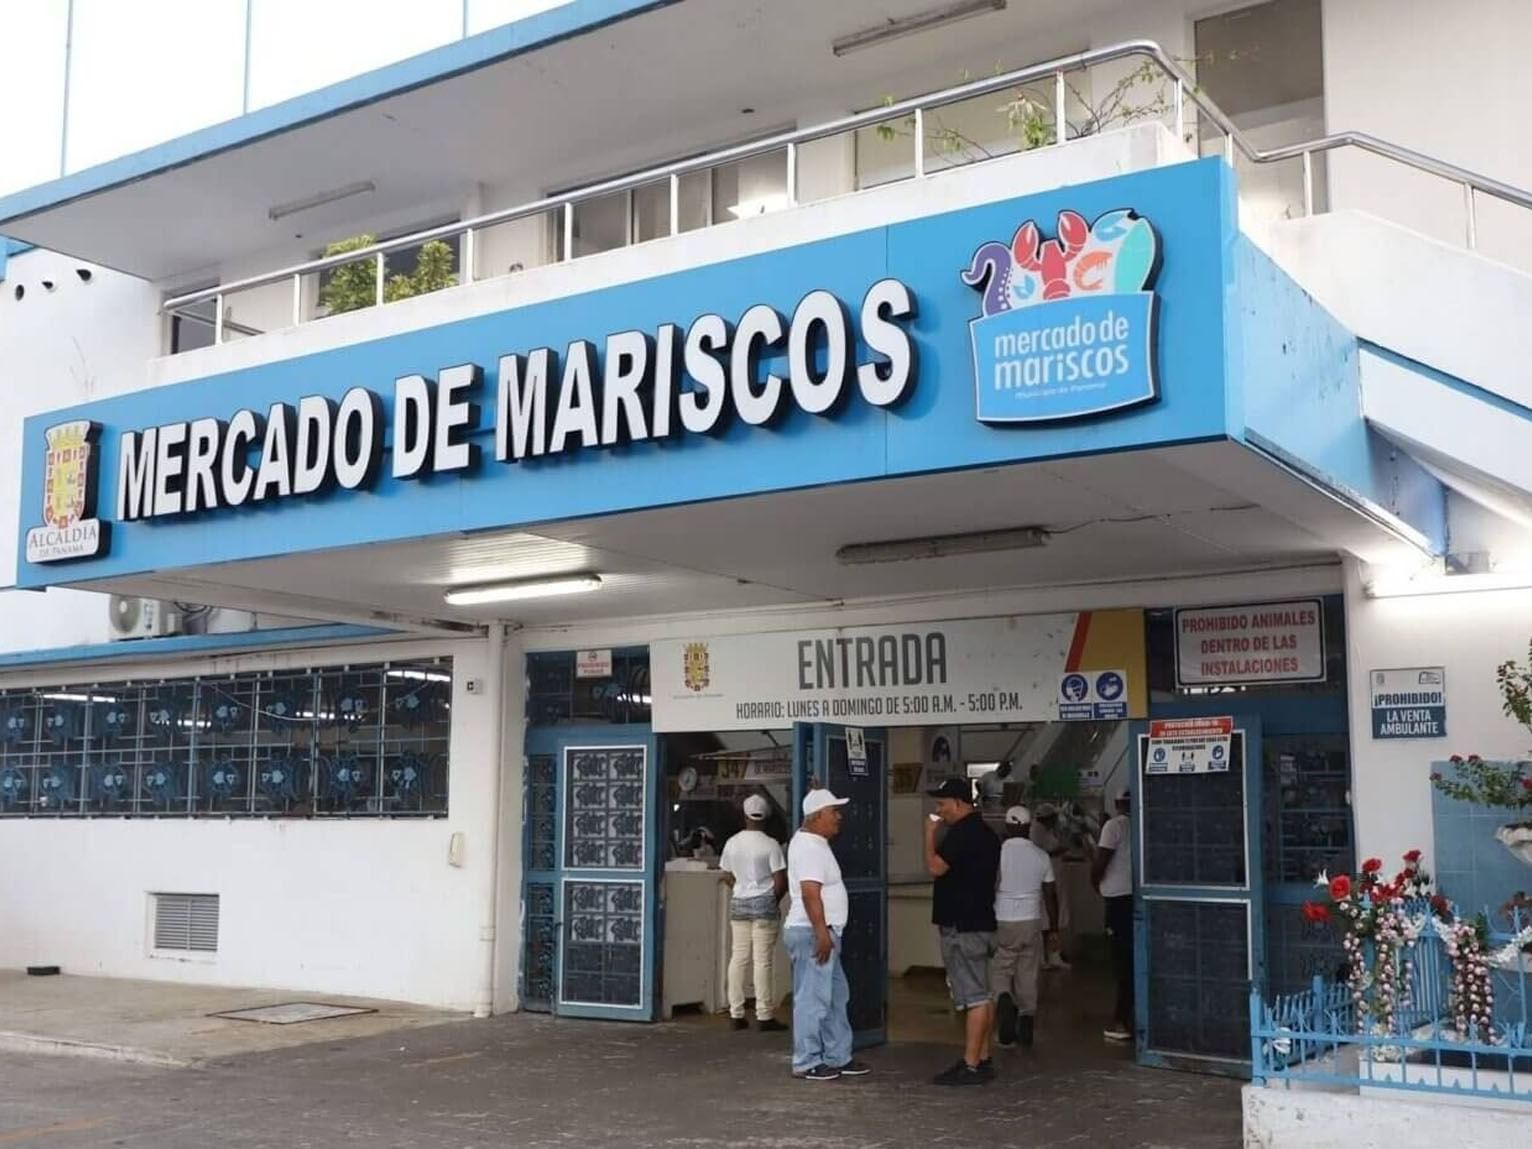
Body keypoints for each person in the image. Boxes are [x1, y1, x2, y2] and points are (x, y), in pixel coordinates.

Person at [783, 789, 872, 1082]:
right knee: (813, 998)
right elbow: (811, 894)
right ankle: (807, 1061)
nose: (839, 817)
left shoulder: (815, 843)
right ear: (817, 815)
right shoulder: (809, 847)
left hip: (825, 932)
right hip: (813, 933)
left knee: (835, 995)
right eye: (833, 811)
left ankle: (838, 1055)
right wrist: (822, 934)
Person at [924, 777, 1002, 1086]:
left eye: (942, 805)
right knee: (983, 994)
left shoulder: (962, 833)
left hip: (964, 927)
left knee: (974, 997)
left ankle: (970, 1065)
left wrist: (929, 835)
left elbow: (935, 867)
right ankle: (982, 1058)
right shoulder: (986, 833)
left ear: (958, 802)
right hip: (981, 922)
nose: (939, 812)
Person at [718, 793, 788, 1032]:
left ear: (745, 815)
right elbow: (780, 880)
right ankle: (764, 1015)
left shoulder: (732, 842)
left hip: (739, 903)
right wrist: (771, 900)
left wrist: (740, 886)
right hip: (764, 905)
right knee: (762, 961)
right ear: (765, 817)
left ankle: (736, 1013)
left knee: (738, 957)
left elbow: (726, 874)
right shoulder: (771, 844)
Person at [993, 805, 1059, 1049]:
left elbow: (991, 886)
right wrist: (1053, 928)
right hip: (1032, 919)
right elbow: (1051, 894)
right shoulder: (1041, 855)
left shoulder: (998, 854)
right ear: (1028, 826)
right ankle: (1027, 1018)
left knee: (1001, 967)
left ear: (1008, 826)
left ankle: (1003, 998)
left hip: (1004, 918)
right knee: (1028, 971)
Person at [1092, 788, 1134, 1043]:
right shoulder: (1141, 823)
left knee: (1121, 961)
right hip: (1137, 895)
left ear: (1117, 803)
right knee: (1134, 958)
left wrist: (1094, 881)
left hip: (1117, 899)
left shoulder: (1113, 826)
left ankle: (1120, 1020)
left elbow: (1101, 859)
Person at [1029, 803, 1072, 970]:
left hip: (1055, 877)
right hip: (1046, 880)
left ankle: (1052, 954)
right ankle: (1047, 956)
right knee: (1047, 918)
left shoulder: (1046, 830)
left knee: (1053, 917)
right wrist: (1061, 850)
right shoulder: (1037, 830)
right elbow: (1043, 852)